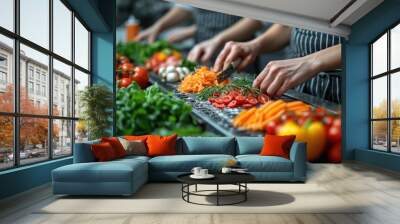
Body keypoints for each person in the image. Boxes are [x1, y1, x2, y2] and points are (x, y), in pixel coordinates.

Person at [213, 24, 343, 103]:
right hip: (302, 87)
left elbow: (363, 37)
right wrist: (256, 45)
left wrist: (310, 62)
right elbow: (289, 24)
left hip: (347, 91)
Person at [136, 6, 262, 65]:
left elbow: (258, 18)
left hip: (239, 51)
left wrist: (217, 39)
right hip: (201, 46)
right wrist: (158, 27)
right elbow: (186, 6)